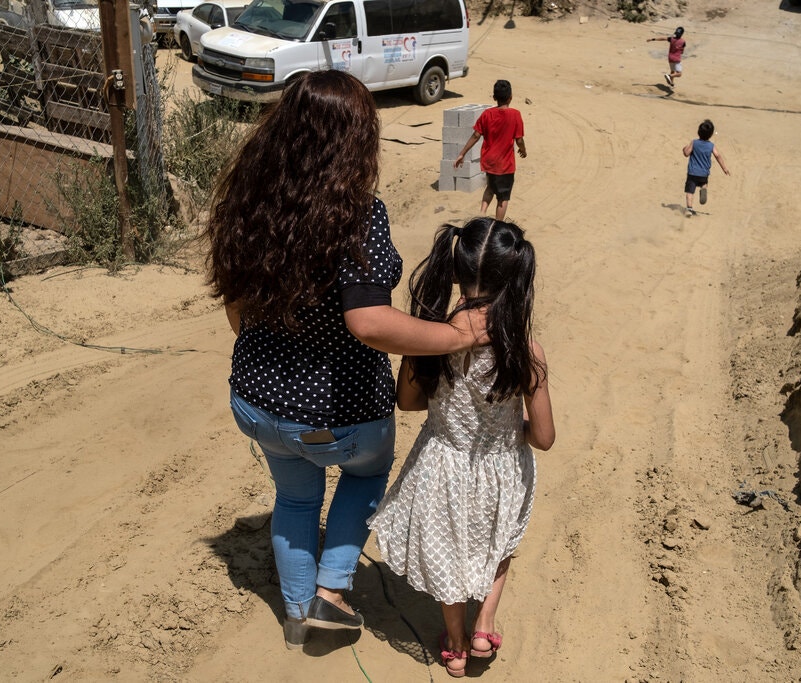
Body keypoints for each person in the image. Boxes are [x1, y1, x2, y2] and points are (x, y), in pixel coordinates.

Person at [204, 71, 486, 651]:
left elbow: (235, 308)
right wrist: (454, 336)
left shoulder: (248, 200)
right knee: (366, 474)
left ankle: (296, 613)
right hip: (338, 415)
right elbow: (368, 322)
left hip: (255, 400)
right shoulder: (357, 215)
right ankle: (330, 593)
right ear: (355, 142)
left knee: (295, 497)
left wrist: (274, 361)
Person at [368, 217, 556, 678]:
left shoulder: (431, 336)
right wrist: (512, 428)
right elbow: (545, 437)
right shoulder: (524, 349)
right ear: (516, 277)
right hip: (501, 466)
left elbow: (408, 402)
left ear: (455, 270)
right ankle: (484, 625)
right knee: (499, 541)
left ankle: (454, 643)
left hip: (441, 463)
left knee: (448, 550)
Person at [453, 80, 527, 221]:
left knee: (490, 188)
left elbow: (476, 135)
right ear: (510, 97)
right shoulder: (515, 115)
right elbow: (519, 140)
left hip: (489, 161)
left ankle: (482, 213)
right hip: (505, 165)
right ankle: (497, 225)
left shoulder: (487, 114)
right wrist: (523, 150)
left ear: (494, 98)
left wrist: (462, 153)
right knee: (503, 198)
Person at [682, 118, 731, 216]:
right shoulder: (711, 145)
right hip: (704, 174)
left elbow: (686, 153)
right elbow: (718, 155)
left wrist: (684, 149)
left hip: (692, 172)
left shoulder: (694, 142)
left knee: (690, 191)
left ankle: (689, 209)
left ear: (698, 132)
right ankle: (703, 188)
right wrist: (724, 168)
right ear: (711, 134)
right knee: (703, 183)